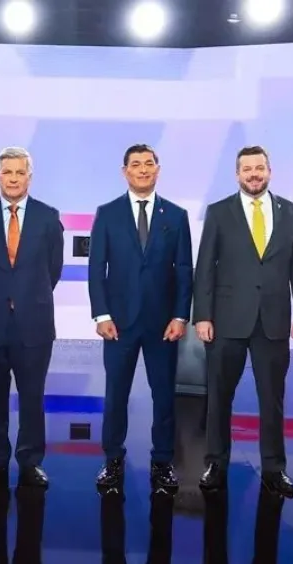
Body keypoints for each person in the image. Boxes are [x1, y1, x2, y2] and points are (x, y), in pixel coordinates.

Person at [192, 145, 293, 497]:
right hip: (227, 320)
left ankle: (274, 467)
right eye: (247, 169)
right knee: (219, 396)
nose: (254, 174)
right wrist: (202, 315)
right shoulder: (218, 212)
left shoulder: (291, 212)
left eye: (260, 168)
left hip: (273, 320)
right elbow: (205, 269)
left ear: (270, 171)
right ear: (237, 174)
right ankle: (216, 462)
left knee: (272, 397)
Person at [87, 144, 193, 493]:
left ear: (158, 170)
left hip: (164, 325)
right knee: (115, 394)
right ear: (125, 171)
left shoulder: (176, 215)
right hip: (118, 323)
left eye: (149, 164)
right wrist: (101, 314)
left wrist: (180, 315)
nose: (143, 169)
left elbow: (183, 270)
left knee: (164, 396)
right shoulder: (107, 213)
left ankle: (162, 462)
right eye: (136, 164)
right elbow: (96, 268)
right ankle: (112, 461)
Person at [0, 147, 64, 490]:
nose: (12, 178)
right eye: (6, 172)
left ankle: (30, 461)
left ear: (29, 177)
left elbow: (53, 270)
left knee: (32, 396)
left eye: (19, 172)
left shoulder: (48, 218)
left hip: (33, 323)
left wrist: (24, 296)